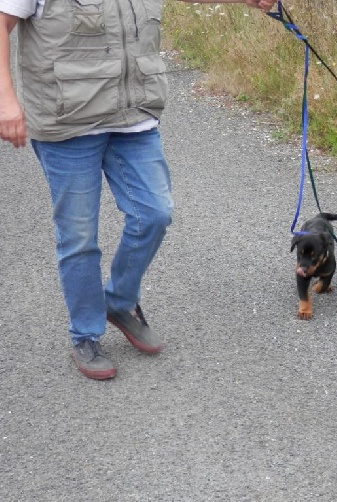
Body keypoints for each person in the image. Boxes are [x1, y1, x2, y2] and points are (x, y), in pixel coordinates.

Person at [0, 0, 277, 380]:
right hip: (66, 124)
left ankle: (118, 302)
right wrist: (6, 100)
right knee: (79, 236)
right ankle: (86, 333)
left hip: (133, 119)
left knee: (155, 213)